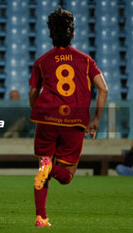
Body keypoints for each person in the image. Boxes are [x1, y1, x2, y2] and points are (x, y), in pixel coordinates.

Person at [29, 8, 108, 227]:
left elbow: (33, 95)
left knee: (42, 166)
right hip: (73, 121)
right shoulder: (86, 60)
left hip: (46, 120)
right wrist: (96, 120)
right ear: (73, 35)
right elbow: (104, 89)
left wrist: (40, 110)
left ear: (50, 34)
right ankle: (49, 170)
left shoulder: (42, 61)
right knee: (67, 176)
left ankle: (41, 216)